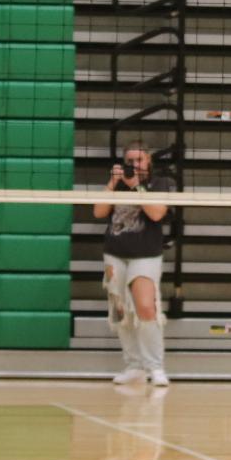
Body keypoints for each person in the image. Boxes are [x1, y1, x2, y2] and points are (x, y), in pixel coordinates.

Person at [95, 145, 174, 387]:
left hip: (145, 254)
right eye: (130, 160)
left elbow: (156, 214)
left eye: (139, 159)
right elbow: (99, 212)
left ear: (148, 161)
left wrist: (135, 186)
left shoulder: (159, 183)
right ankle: (134, 366)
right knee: (120, 312)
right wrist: (112, 183)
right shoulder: (117, 183)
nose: (134, 164)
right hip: (115, 253)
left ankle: (155, 367)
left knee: (145, 307)